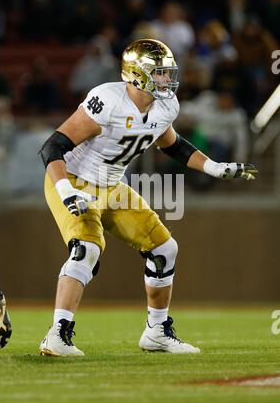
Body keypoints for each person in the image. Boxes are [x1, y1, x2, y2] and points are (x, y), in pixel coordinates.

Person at [39, 39, 257, 357]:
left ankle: (156, 332)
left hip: (112, 186)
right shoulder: (108, 100)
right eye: (160, 73)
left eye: (169, 72)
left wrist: (214, 167)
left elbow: (171, 144)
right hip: (73, 180)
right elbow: (52, 147)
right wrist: (66, 191)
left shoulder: (165, 105)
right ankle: (57, 334)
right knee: (86, 248)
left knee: (164, 248)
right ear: (139, 74)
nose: (168, 79)